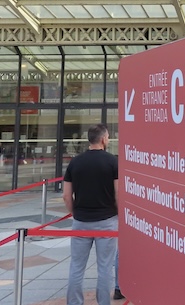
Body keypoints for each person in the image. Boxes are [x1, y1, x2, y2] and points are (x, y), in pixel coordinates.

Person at [63, 124, 118, 305]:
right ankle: (103, 302)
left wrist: (75, 213)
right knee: (105, 268)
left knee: (76, 267)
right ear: (103, 139)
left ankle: (74, 302)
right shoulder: (112, 162)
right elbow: (119, 194)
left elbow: (66, 195)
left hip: (81, 221)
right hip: (107, 220)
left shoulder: (75, 162)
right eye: (107, 137)